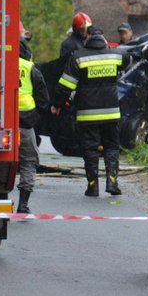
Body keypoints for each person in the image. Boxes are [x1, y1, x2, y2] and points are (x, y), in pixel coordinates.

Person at [52, 26, 129, 196]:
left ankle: (93, 186)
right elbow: (127, 60)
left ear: (87, 36)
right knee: (112, 147)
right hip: (111, 112)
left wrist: (57, 104)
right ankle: (112, 183)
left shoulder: (77, 57)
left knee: (90, 148)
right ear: (103, 37)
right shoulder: (116, 54)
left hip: (87, 113)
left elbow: (66, 86)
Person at [17, 35, 50, 214]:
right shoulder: (31, 69)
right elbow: (44, 100)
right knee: (29, 161)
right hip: (25, 123)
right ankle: (23, 204)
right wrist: (34, 117)